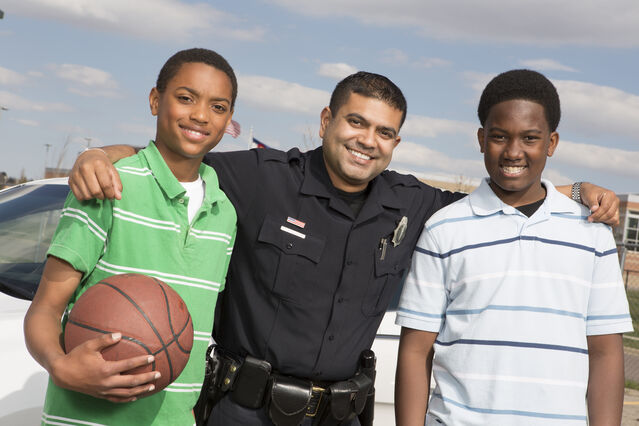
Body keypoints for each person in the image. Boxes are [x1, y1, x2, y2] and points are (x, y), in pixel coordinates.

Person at [68, 71, 620, 426]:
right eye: (356, 122)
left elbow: (506, 183)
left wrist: (577, 191)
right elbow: (181, 155)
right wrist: (107, 155)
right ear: (328, 120)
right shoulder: (260, 178)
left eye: (384, 132)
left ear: (396, 143)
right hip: (245, 412)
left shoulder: (414, 203)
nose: (367, 140)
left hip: (344, 415)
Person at [394, 69, 632, 426]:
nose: (513, 151)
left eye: (530, 138)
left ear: (551, 143)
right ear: (480, 138)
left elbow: (605, 353)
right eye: (499, 136)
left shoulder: (592, 233)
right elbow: (415, 351)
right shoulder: (443, 229)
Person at [23, 48, 238, 425]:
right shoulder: (108, 183)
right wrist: (60, 366)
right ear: (155, 100)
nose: (201, 115)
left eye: (218, 107)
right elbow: (45, 308)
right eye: (185, 98)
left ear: (229, 118)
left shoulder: (225, 213)